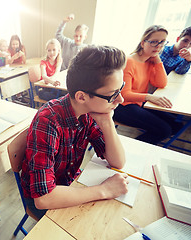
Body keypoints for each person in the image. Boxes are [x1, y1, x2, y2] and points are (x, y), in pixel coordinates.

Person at [21, 45, 128, 219]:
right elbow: (43, 199)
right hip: (45, 197)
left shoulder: (88, 113)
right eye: (112, 94)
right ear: (81, 97)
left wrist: (107, 121)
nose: (121, 99)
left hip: (70, 184)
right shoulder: (48, 121)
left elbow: (118, 161)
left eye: (120, 89)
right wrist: (104, 190)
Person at [113, 25, 183, 145]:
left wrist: (158, 61)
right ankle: (129, 151)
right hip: (122, 106)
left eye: (162, 42)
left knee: (176, 124)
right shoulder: (130, 61)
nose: (158, 46)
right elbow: (124, 94)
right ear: (143, 43)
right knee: (164, 131)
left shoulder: (150, 60)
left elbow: (161, 83)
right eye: (154, 42)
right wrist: (148, 96)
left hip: (138, 103)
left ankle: (139, 146)